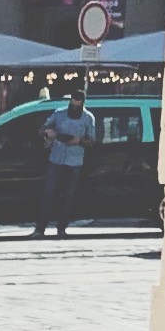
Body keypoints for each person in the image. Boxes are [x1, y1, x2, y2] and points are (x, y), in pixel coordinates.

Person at [33, 92, 99, 238]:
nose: (74, 108)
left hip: (74, 161)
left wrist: (79, 141)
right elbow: (42, 129)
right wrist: (48, 133)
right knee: (48, 194)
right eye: (72, 105)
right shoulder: (59, 114)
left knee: (68, 196)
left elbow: (92, 140)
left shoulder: (88, 118)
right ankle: (40, 228)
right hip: (56, 159)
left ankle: (61, 228)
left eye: (78, 106)